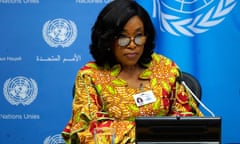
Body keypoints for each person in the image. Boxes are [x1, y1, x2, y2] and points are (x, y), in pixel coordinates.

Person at [62, 0, 203, 143]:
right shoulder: (90, 76)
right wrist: (152, 130)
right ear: (107, 39)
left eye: (138, 36)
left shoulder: (165, 68)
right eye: (123, 37)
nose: (132, 45)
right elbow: (87, 132)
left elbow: (186, 118)